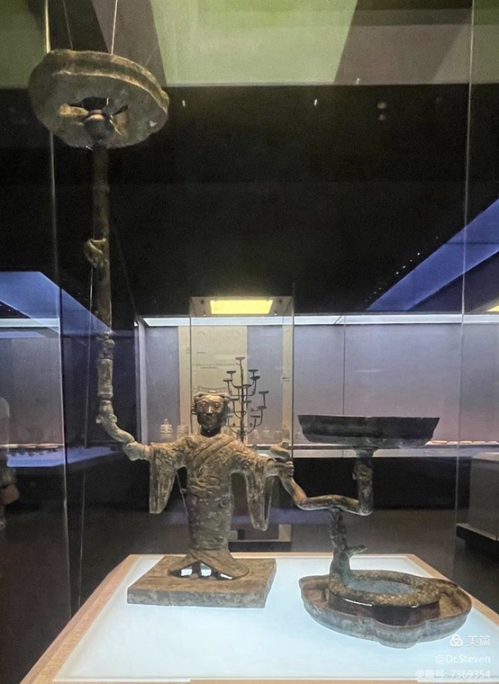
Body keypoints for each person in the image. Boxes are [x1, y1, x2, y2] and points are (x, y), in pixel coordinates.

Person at [98, 392, 292, 579]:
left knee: (217, 541)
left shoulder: (231, 446)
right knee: (197, 539)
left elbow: (255, 463)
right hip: (196, 503)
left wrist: (276, 467)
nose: (209, 411)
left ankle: (216, 569)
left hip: (220, 505)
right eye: (203, 407)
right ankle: (196, 566)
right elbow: (164, 454)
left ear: (225, 413)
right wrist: (140, 451)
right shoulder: (188, 443)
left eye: (216, 407)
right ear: (195, 412)